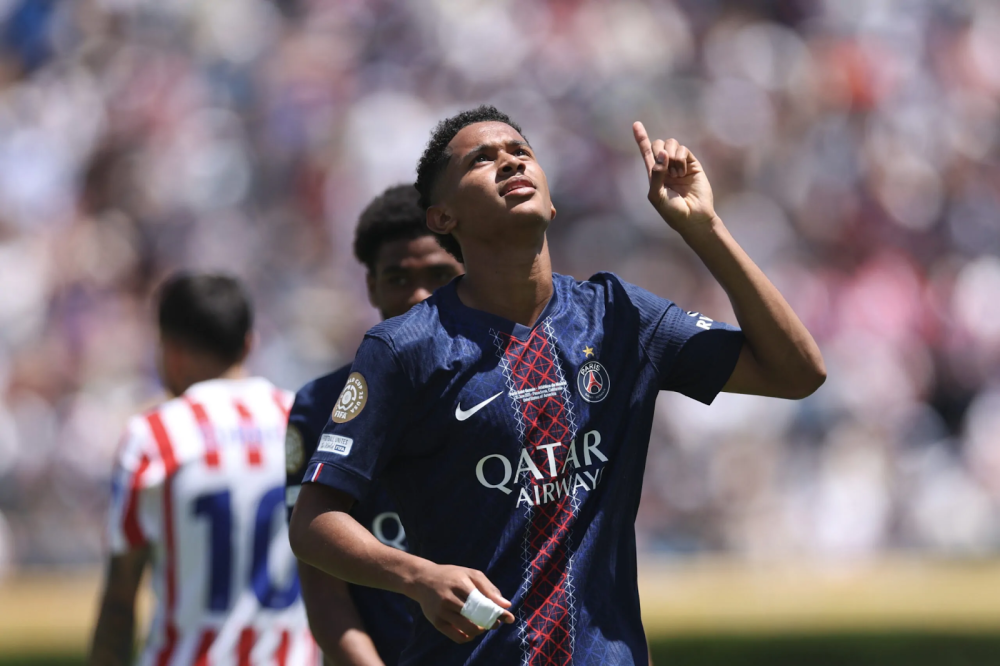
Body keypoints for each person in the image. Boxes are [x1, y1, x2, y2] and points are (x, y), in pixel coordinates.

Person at [289, 105, 826, 665]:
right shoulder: (405, 348)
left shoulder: (620, 317)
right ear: (443, 218)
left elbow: (797, 372)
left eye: (520, 152)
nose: (509, 163)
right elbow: (312, 523)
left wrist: (703, 227)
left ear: (551, 200)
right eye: (481, 160)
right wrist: (417, 576)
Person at [90, 273, 314, 666]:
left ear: (172, 352)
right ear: (249, 343)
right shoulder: (304, 421)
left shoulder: (154, 437)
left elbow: (120, 602)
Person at [285, 184, 463, 665]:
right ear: (371, 286)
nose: (419, 295)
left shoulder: (515, 381)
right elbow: (324, 590)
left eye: (439, 274)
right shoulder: (323, 406)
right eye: (399, 278)